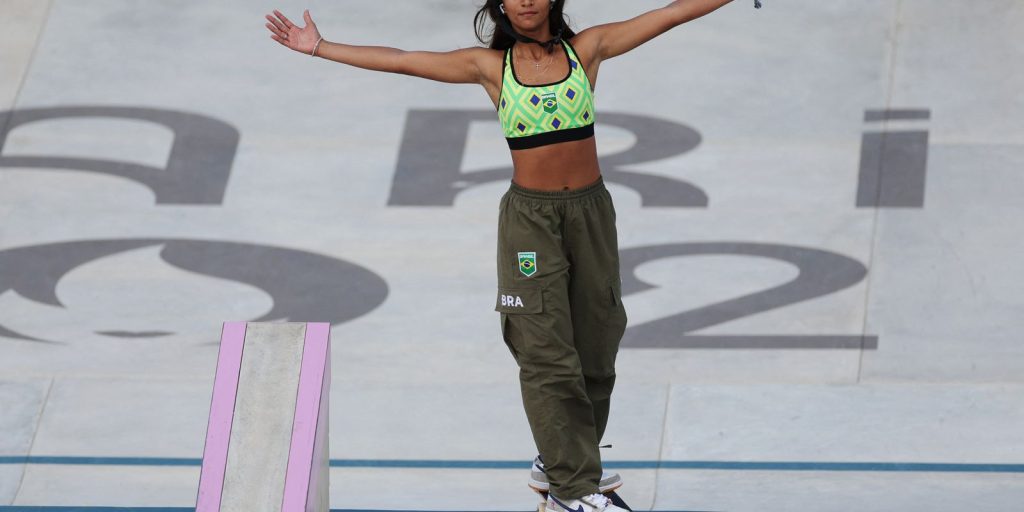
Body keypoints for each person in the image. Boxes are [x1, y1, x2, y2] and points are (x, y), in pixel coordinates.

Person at [264, 1, 736, 511]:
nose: (526, 0)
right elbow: (402, 59)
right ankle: (572, 488)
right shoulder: (490, 68)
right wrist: (319, 47)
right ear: (500, 5)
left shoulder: (588, 50)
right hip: (531, 222)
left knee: (598, 345)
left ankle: (560, 458)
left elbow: (672, 14)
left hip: (591, 212)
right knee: (545, 352)